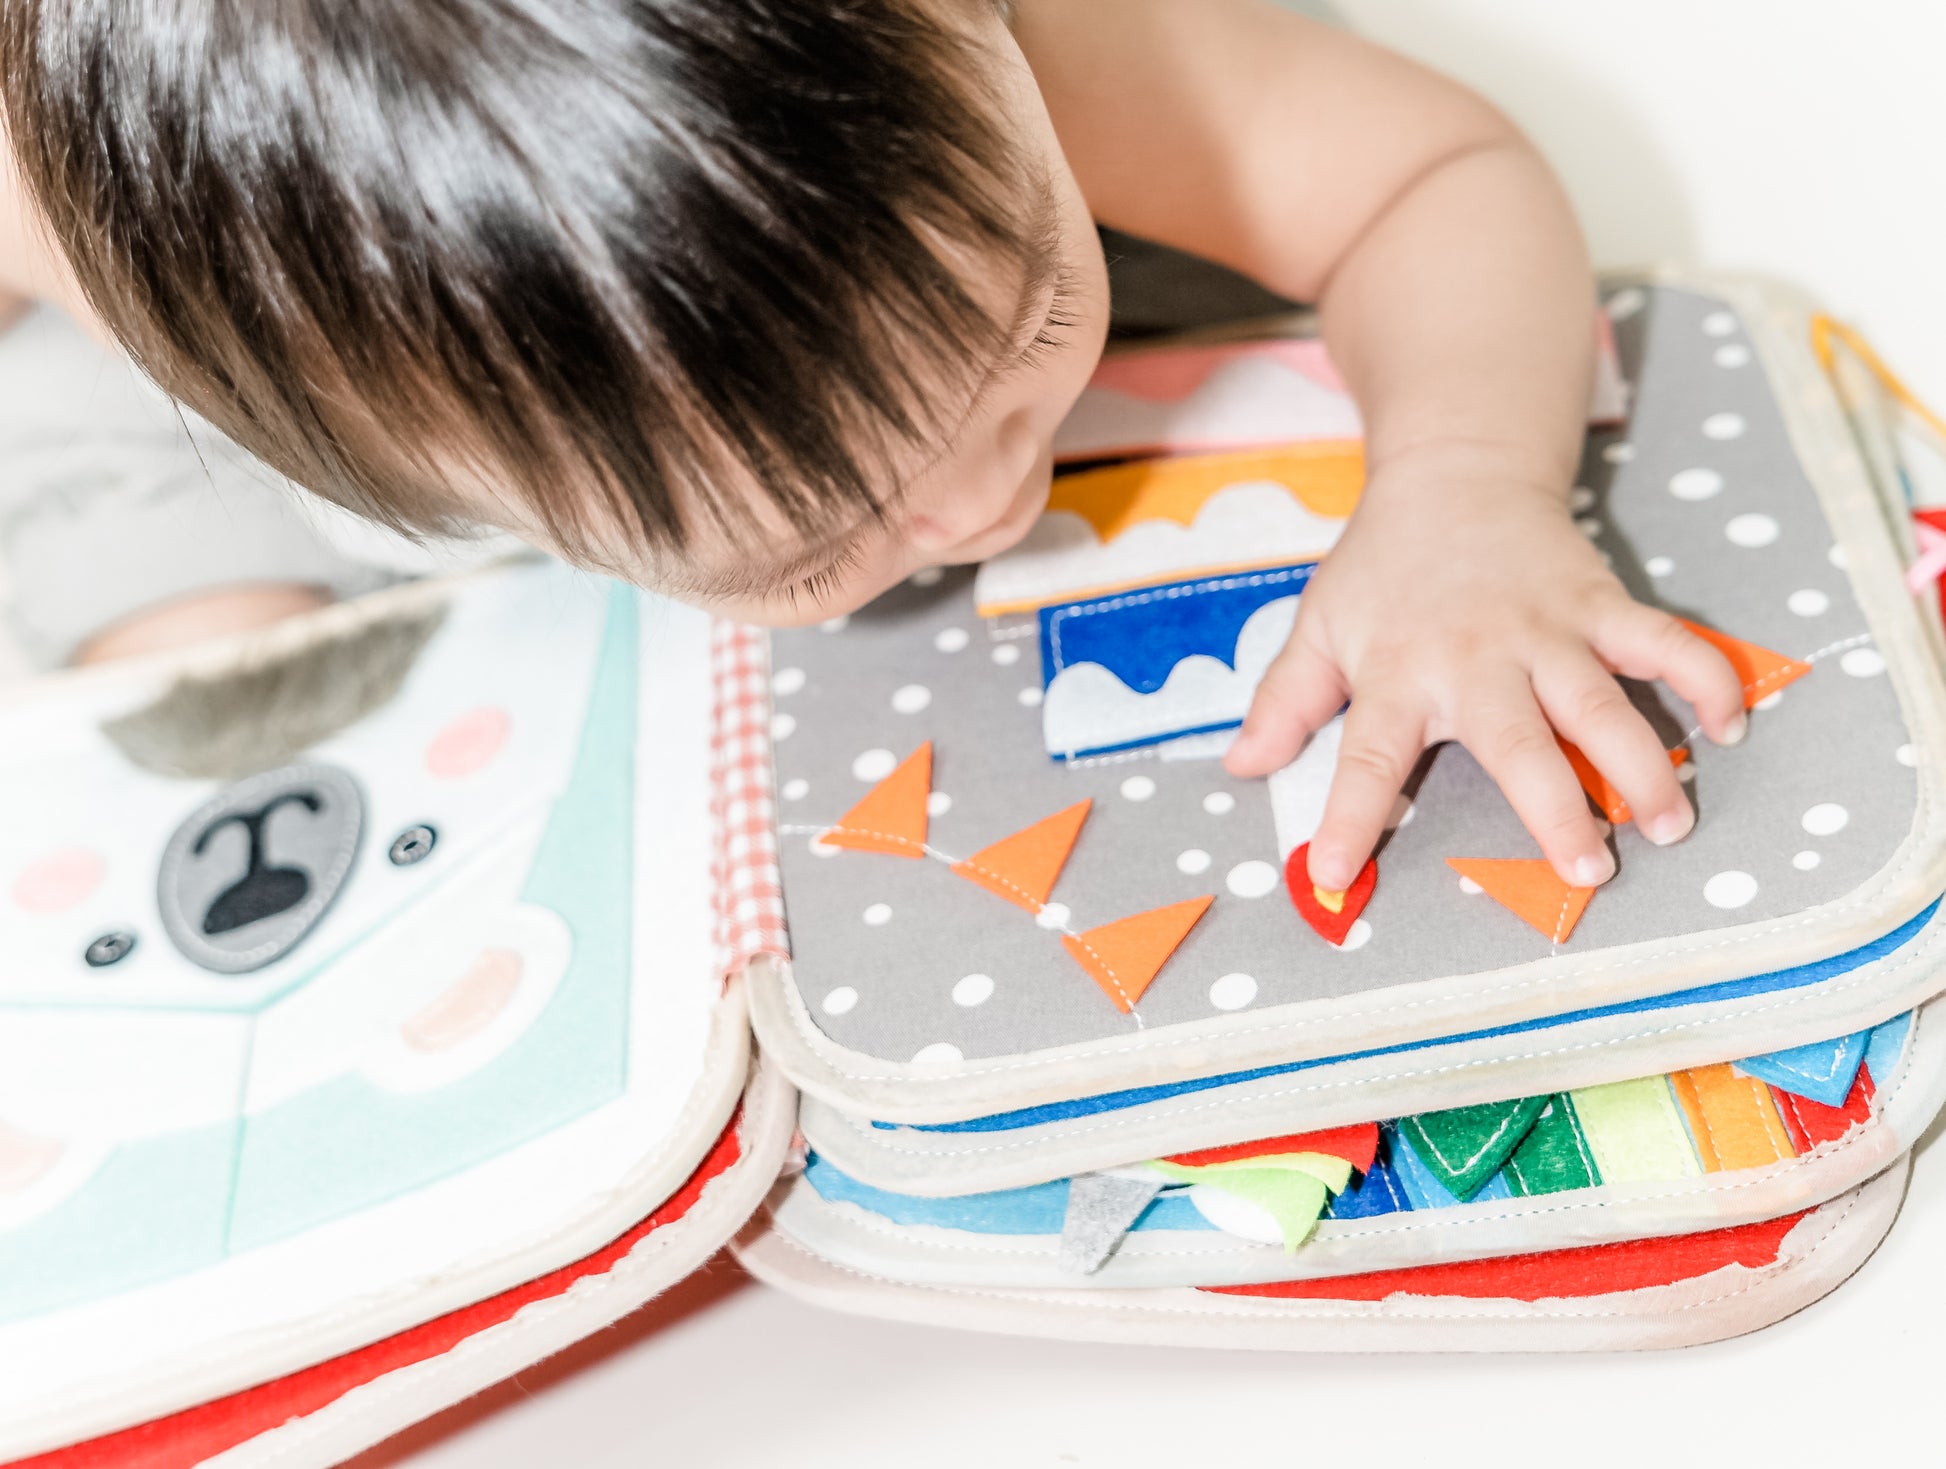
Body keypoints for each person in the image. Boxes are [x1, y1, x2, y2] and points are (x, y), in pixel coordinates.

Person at [0, 0, 1747, 896]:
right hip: (209, 349)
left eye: (1020, 333)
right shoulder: (83, 238)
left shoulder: (1002, 55)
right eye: (802, 544)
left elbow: (1430, 179)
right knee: (181, 689)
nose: (991, 506)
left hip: (910, 121)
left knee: (1198, 223)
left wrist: (1461, 486)